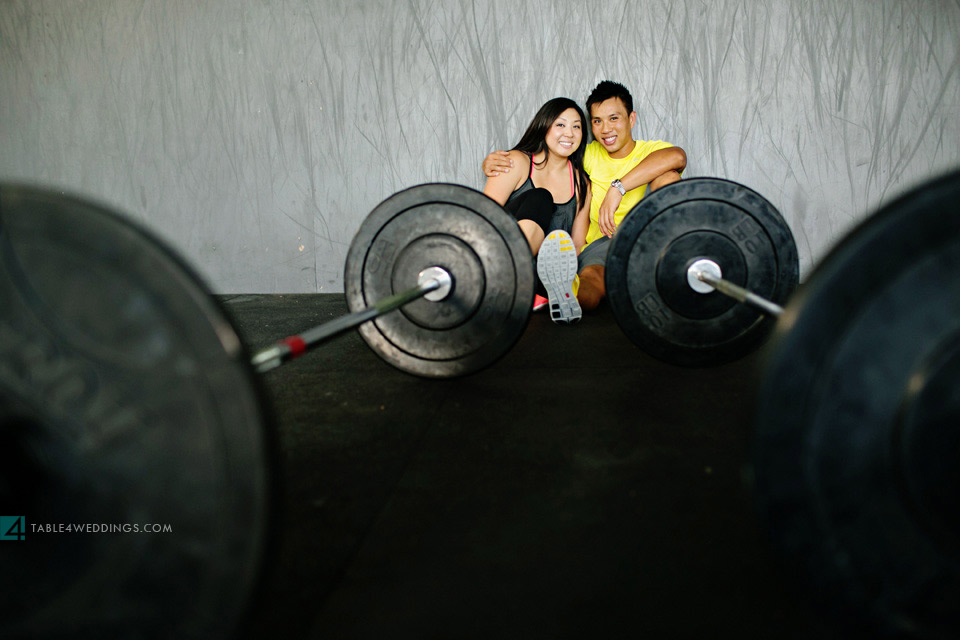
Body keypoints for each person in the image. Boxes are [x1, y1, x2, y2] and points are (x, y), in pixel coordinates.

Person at [484, 81, 687, 311]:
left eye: (614, 118)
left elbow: (677, 156)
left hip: (642, 240)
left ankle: (677, 264)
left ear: (631, 119)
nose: (605, 129)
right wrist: (494, 162)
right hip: (591, 248)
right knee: (589, 279)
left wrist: (617, 188)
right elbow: (483, 214)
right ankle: (561, 296)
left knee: (668, 177)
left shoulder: (643, 153)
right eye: (597, 121)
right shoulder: (584, 155)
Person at [482, 97, 592, 323]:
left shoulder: (582, 184)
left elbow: (577, 245)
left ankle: (530, 290)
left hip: (542, 274)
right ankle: (507, 278)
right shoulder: (516, 162)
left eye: (576, 126)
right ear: (544, 126)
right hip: (497, 258)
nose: (569, 133)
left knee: (555, 264)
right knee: (542, 197)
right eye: (560, 124)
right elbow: (481, 219)